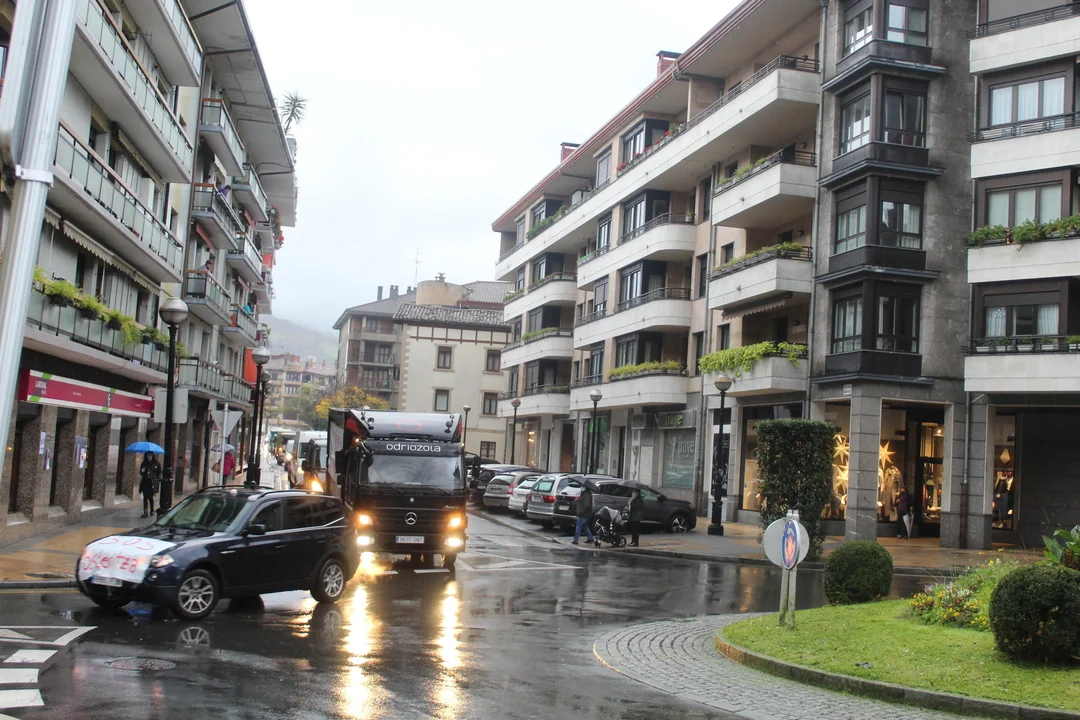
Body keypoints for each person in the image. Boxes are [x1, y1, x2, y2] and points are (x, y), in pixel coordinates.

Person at [139, 452, 161, 518]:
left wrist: (157, 480)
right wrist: (142, 471)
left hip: (152, 483)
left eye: (150, 455)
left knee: (150, 497)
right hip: (145, 482)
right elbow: (141, 473)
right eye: (148, 455)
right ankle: (145, 512)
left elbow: (159, 473)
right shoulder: (144, 463)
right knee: (145, 497)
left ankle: (152, 509)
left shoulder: (156, 463)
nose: (149, 457)